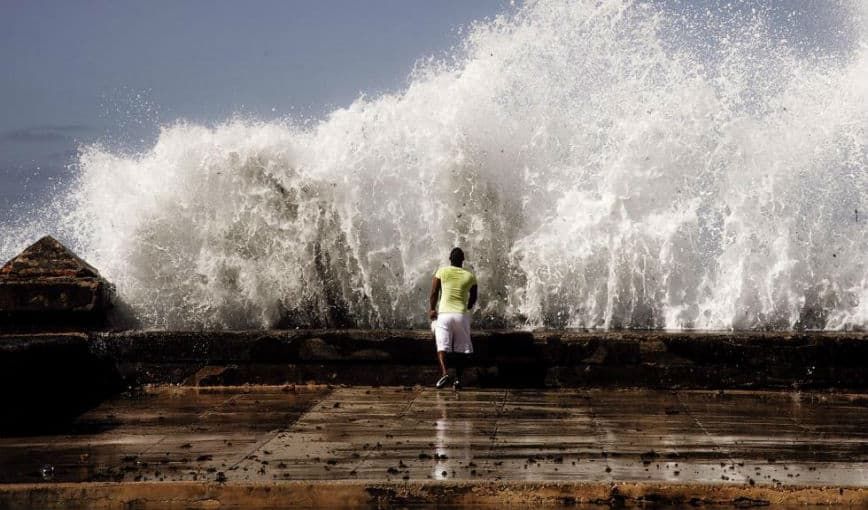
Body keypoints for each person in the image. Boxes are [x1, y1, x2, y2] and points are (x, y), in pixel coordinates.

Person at [429, 247, 478, 390]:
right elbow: (474, 297)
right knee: (461, 350)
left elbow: (434, 292)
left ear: (450, 259)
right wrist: (467, 307)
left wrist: (432, 309)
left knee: (442, 347)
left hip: (444, 315)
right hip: (461, 315)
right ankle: (457, 380)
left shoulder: (442, 271)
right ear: (463, 260)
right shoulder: (470, 276)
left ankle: (444, 373)